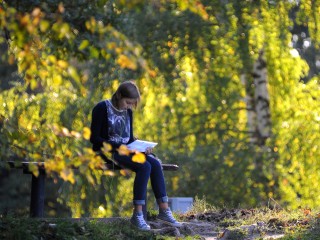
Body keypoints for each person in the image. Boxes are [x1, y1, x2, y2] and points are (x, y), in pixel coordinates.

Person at [90, 80, 182, 230]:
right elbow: (95, 139)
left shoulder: (129, 112)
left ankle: (164, 211)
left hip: (127, 150)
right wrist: (121, 146)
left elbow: (129, 138)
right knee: (144, 166)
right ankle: (137, 215)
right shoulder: (101, 108)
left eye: (132, 104)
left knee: (155, 163)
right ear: (119, 95)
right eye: (127, 102)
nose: (129, 106)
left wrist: (142, 147)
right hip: (107, 152)